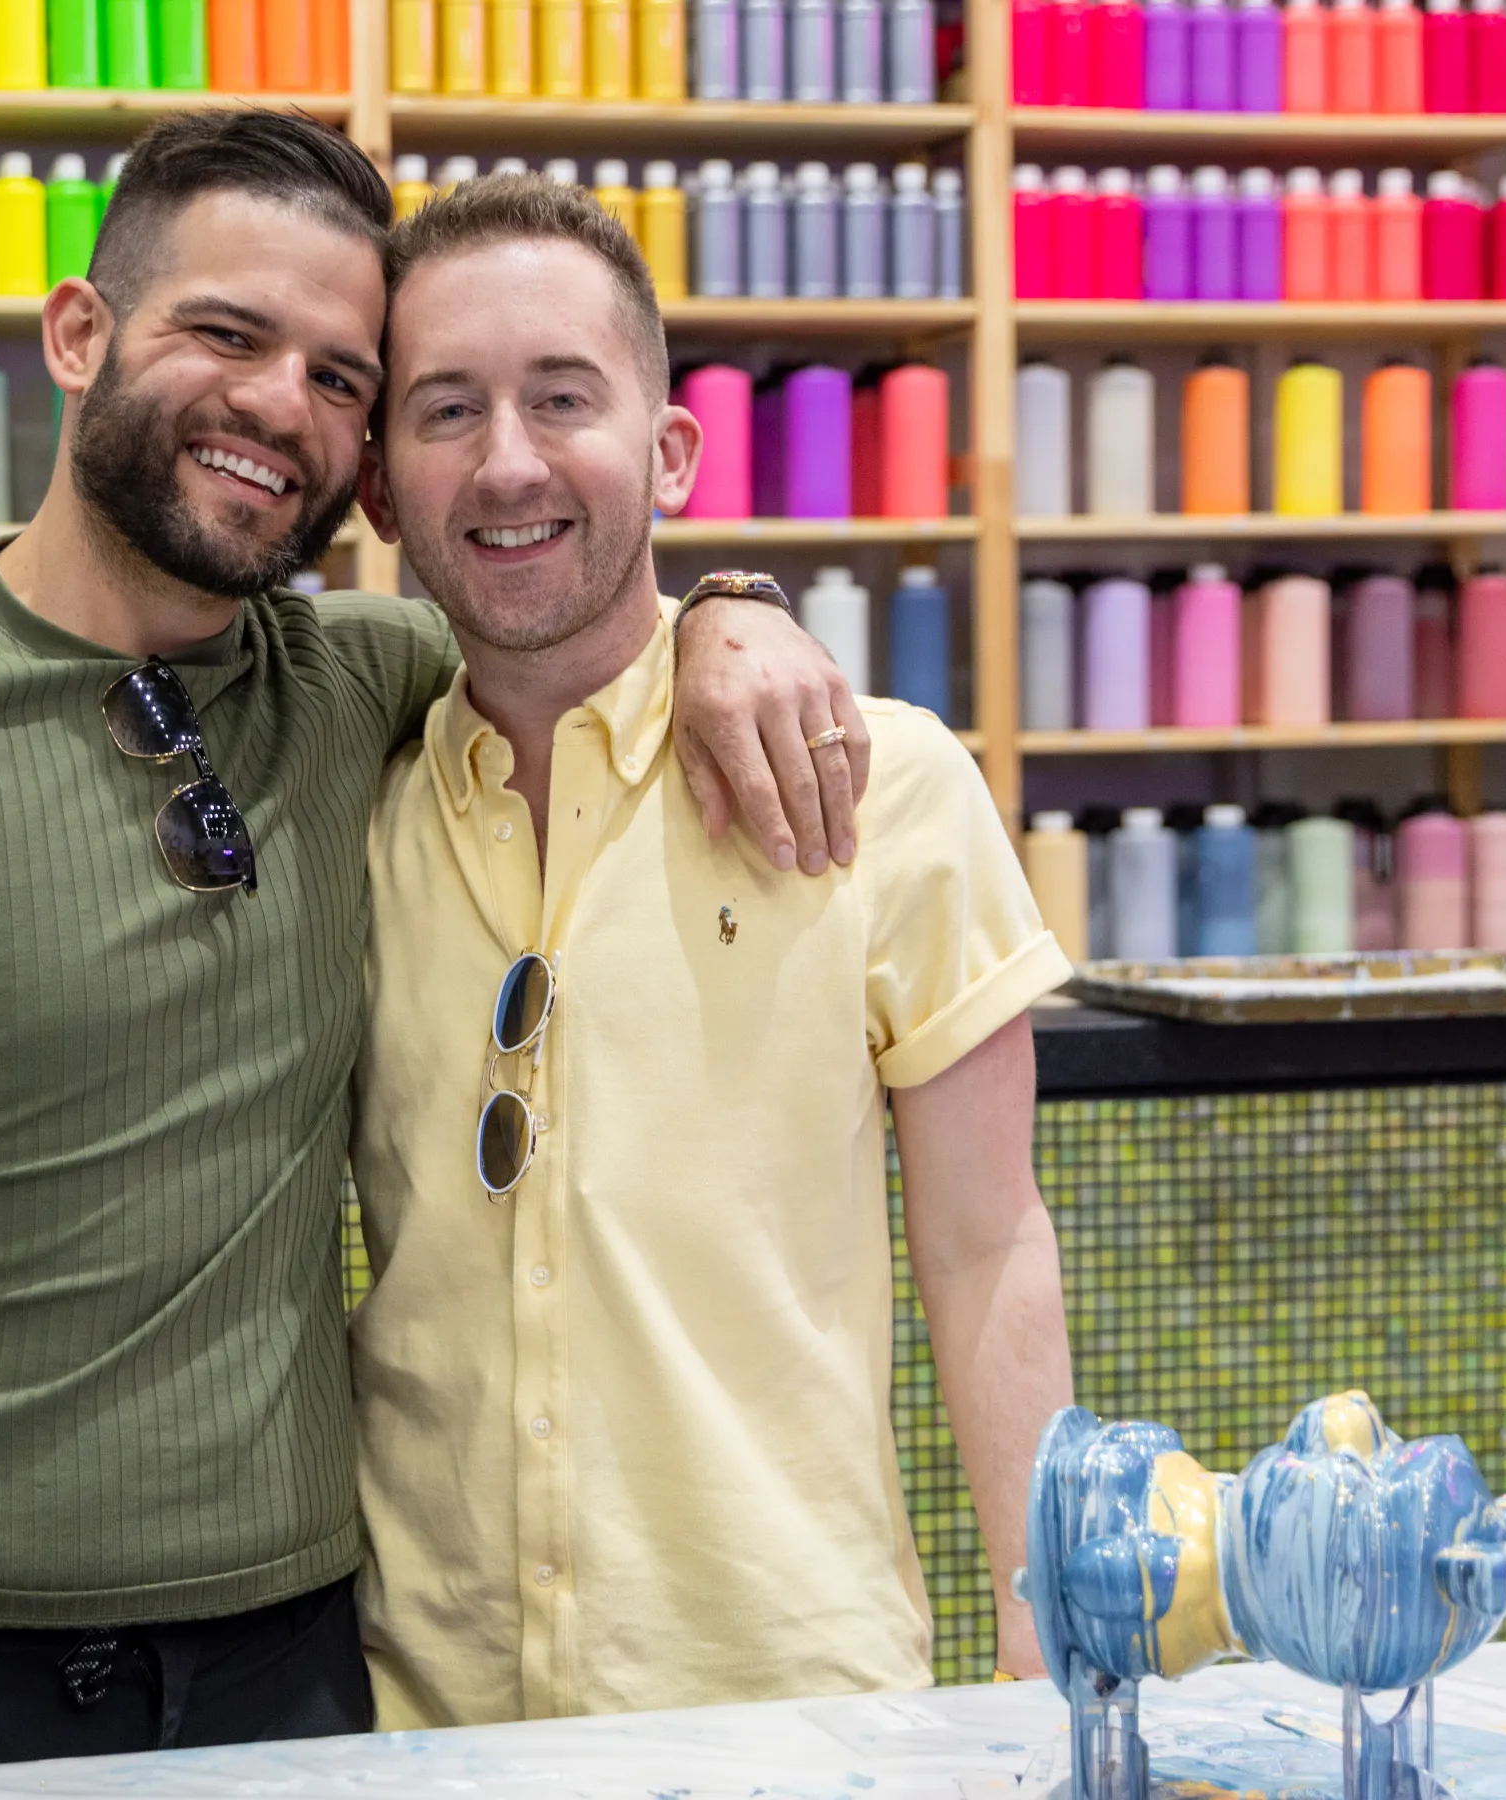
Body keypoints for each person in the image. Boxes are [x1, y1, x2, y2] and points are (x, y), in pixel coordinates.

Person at [0, 111, 864, 1770]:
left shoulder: (360, 686)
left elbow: (577, 611)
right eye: (226, 333)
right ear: (80, 336)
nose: (279, 404)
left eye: (340, 376)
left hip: (295, 1663)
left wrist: (737, 608)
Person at [342, 174, 1077, 1725]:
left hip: (793, 1710)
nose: (511, 461)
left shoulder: (892, 785)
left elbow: (987, 1241)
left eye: (563, 398)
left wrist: (1044, 1641)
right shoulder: (347, 810)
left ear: (671, 452)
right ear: (379, 489)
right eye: (447, 410)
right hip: (415, 1718)